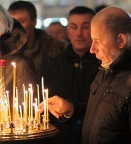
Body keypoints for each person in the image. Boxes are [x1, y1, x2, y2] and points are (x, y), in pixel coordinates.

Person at [39, 6, 131, 144]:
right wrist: (71, 109)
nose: (92, 50)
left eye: (97, 41)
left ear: (121, 41)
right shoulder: (109, 66)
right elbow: (108, 117)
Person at [41, 6, 100, 144]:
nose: (79, 33)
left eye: (86, 27)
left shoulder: (103, 66)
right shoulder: (53, 63)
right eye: (74, 27)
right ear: (68, 31)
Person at [8, 1, 65, 79]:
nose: (16, 27)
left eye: (22, 21)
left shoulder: (55, 50)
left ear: (34, 22)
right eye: (11, 22)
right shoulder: (3, 52)